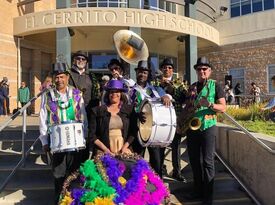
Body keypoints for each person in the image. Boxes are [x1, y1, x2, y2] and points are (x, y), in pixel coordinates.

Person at [39, 63, 88, 205]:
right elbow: (43, 118)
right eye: (56, 77)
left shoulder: (77, 94)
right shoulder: (47, 95)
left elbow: (83, 115)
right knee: (59, 176)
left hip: (76, 144)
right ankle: (59, 202)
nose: (59, 80)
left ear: (67, 77)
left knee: (75, 175)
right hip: (56, 143)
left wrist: (84, 136)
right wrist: (44, 141)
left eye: (62, 77)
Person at [185, 56, 226, 205]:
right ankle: (197, 191)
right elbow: (187, 106)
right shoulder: (192, 86)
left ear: (209, 70)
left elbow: (223, 107)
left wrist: (209, 104)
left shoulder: (216, 86)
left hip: (208, 127)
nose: (202, 71)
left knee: (208, 162)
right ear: (196, 71)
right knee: (194, 161)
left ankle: (208, 196)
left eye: (204, 69)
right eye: (199, 69)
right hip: (192, 127)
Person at [130, 60, 172, 178]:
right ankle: (137, 188)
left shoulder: (155, 89)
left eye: (144, 72)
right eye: (140, 72)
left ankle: (157, 188)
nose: (142, 74)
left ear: (148, 74)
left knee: (156, 162)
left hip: (153, 131)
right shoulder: (131, 90)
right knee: (137, 161)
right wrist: (135, 114)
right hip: (137, 130)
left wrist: (165, 96)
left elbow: (167, 96)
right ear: (136, 73)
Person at [158, 58, 188, 182]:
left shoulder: (178, 83)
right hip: (161, 120)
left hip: (175, 119)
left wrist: (172, 88)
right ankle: (159, 170)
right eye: (165, 67)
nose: (167, 69)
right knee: (160, 147)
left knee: (176, 147)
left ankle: (177, 172)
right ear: (162, 69)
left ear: (172, 70)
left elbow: (183, 98)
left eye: (170, 67)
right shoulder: (156, 82)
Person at [89, 79, 137, 156]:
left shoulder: (129, 110)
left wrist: (125, 147)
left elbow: (134, 132)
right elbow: (92, 135)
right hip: (103, 150)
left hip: (124, 149)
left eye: (117, 91)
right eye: (111, 92)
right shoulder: (97, 111)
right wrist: (106, 150)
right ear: (108, 94)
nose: (114, 94)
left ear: (121, 94)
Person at [69, 51, 100, 161]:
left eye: (83, 59)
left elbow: (96, 95)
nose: (81, 61)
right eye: (78, 58)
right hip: (72, 113)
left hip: (88, 112)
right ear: (74, 60)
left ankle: (84, 164)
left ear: (86, 62)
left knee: (86, 141)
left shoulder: (91, 76)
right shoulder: (68, 75)